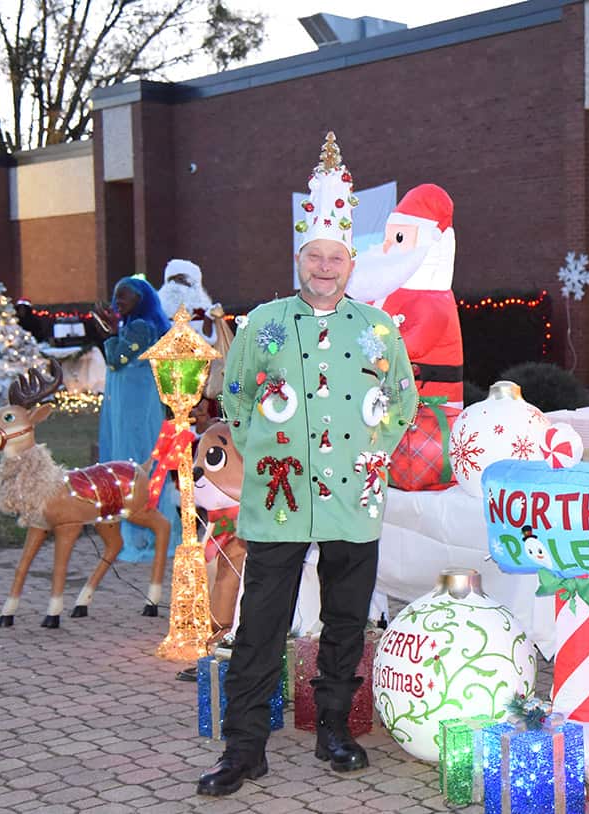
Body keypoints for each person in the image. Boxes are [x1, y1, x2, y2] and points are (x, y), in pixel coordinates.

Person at [198, 133, 417, 797]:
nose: (325, 267)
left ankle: (334, 730)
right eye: (314, 257)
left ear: (351, 262)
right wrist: (265, 452)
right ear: (300, 258)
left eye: (336, 257)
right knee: (261, 622)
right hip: (279, 498)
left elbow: (402, 399)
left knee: (347, 619)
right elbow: (234, 397)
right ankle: (243, 749)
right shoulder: (263, 323)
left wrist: (376, 451)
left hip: (357, 495)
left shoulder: (380, 329)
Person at [346, 183, 465, 405]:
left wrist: (362, 345)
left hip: (428, 404)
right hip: (386, 401)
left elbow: (411, 345)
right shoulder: (385, 290)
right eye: (387, 237)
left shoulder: (433, 302)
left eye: (399, 238)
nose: (387, 247)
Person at [94, 276, 183, 561]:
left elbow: (117, 359)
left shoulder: (141, 327)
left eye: (125, 296)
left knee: (134, 460)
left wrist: (109, 333)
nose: (118, 301)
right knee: (141, 460)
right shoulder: (137, 326)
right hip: (134, 403)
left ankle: (142, 534)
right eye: (116, 295)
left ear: (141, 300)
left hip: (136, 406)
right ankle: (146, 532)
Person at [157, 258, 219, 343]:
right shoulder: (159, 308)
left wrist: (208, 318)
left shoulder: (201, 310)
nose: (174, 284)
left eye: (180, 279)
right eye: (171, 280)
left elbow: (209, 341)